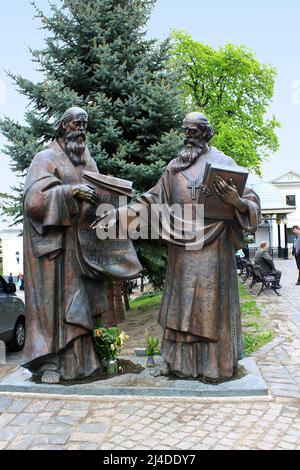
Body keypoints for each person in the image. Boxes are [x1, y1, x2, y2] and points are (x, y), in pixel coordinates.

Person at [101, 112, 261, 382]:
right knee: (179, 307)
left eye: (194, 131)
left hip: (213, 248)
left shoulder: (223, 163)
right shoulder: (174, 168)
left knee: (209, 309)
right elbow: (151, 200)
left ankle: (213, 366)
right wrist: (121, 214)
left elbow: (250, 200)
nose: (189, 136)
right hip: (182, 249)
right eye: (186, 131)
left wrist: (238, 202)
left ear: (206, 133)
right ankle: (177, 363)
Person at [22, 107, 138, 384]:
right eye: (77, 123)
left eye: (85, 124)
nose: (82, 129)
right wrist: (70, 191)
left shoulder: (87, 162)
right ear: (63, 126)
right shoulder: (45, 158)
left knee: (82, 304)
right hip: (56, 254)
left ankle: (85, 362)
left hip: (83, 248)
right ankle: (53, 362)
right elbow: (34, 201)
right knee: (60, 308)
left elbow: (97, 192)